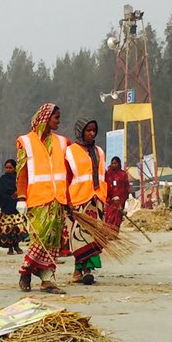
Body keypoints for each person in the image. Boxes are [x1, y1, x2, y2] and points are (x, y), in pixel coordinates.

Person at [16, 103, 69, 294]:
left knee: (53, 241)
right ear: (45, 118)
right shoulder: (26, 141)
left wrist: (68, 198)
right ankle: (26, 272)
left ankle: (47, 280)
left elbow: (67, 171)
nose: (59, 121)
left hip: (57, 199)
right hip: (37, 199)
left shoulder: (62, 142)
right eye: (56, 117)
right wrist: (21, 198)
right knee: (40, 239)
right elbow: (21, 172)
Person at [65, 118, 107, 285]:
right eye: (88, 130)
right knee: (79, 237)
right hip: (78, 200)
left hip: (97, 200)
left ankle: (87, 269)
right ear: (80, 131)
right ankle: (79, 269)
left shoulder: (99, 152)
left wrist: (106, 196)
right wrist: (66, 200)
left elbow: (104, 175)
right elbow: (66, 177)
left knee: (93, 237)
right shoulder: (70, 152)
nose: (92, 133)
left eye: (94, 130)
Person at [0, 159, 25, 255]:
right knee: (8, 229)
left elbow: (22, 188)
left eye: (10, 168)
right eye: (6, 168)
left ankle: (17, 246)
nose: (8, 170)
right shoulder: (3, 179)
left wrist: (18, 193)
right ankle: (10, 248)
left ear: (14, 168)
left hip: (16, 207)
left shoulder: (18, 178)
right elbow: (0, 192)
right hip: (6, 207)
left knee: (16, 228)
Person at [104, 156, 130, 231]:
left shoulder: (123, 174)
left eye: (115, 163)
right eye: (112, 163)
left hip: (120, 200)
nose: (113, 165)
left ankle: (114, 233)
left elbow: (126, 186)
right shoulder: (108, 173)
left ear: (119, 164)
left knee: (118, 217)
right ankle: (108, 232)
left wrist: (124, 198)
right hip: (110, 199)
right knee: (109, 216)